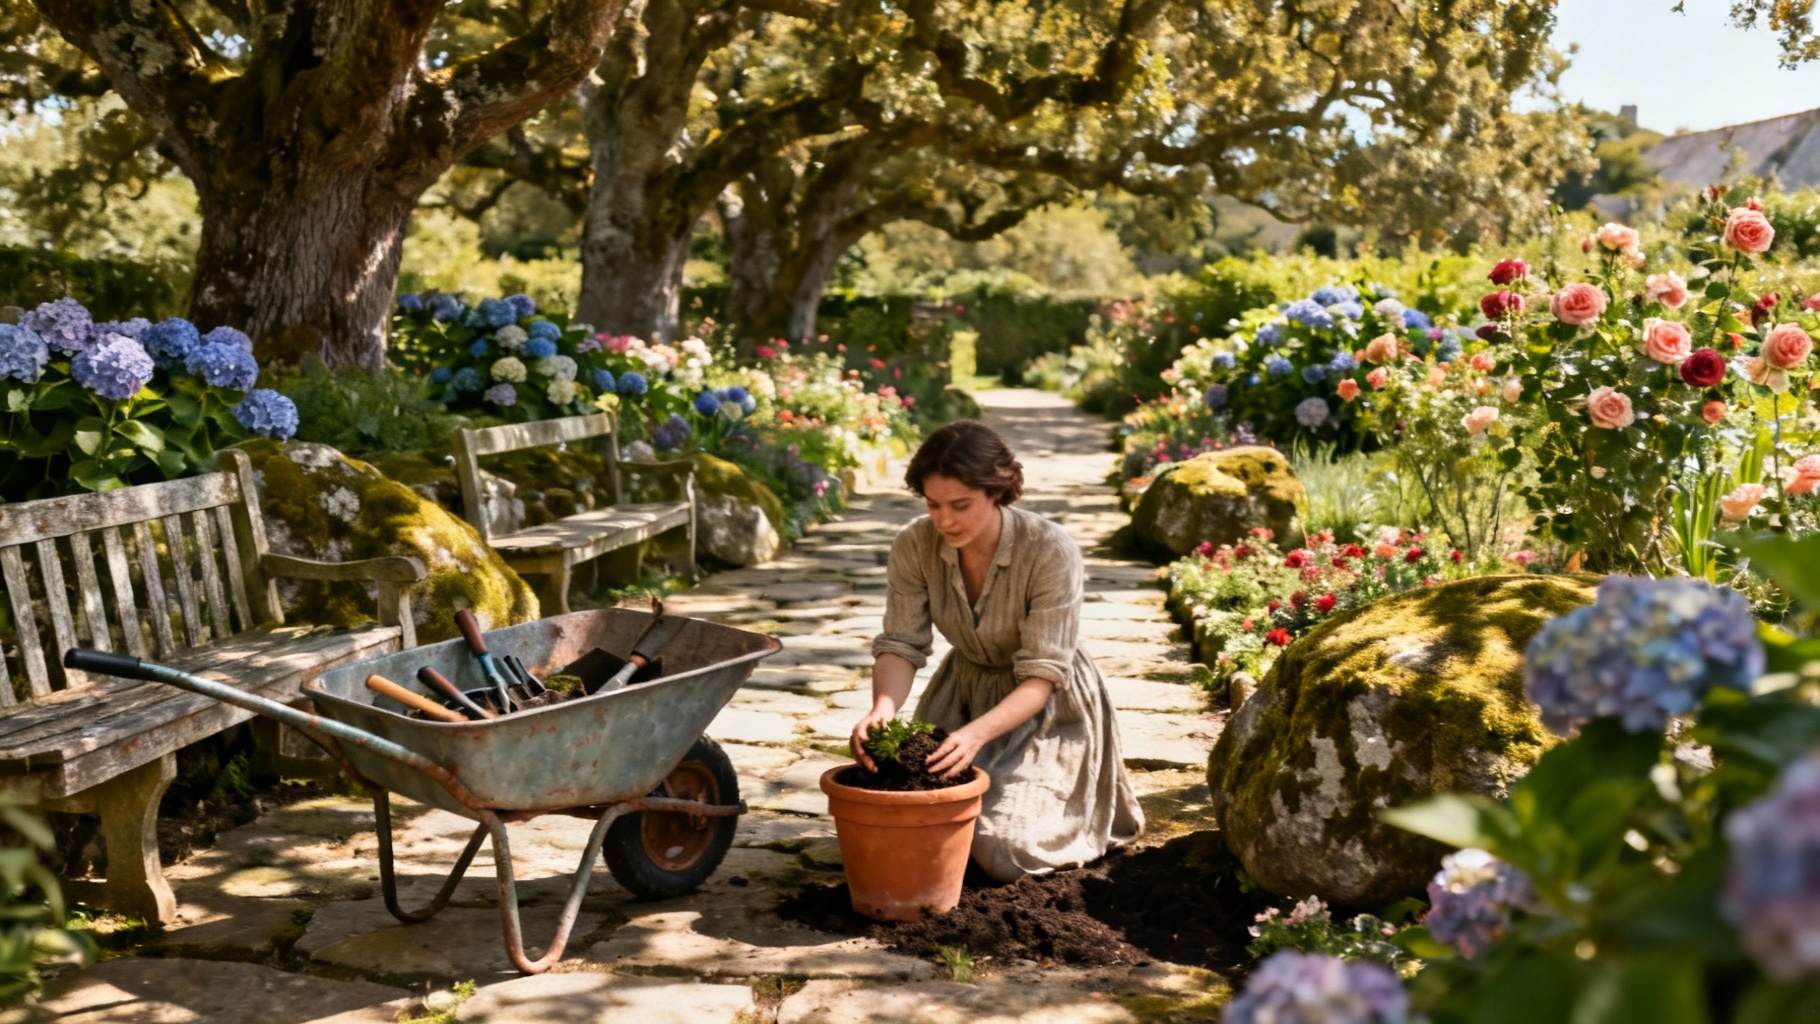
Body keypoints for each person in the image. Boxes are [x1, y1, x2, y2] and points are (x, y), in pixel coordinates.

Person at [851, 419, 1144, 881]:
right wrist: (882, 708)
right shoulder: (914, 544)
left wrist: (975, 736)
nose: (944, 520)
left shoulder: (1050, 550)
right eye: (933, 505)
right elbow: (901, 644)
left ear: (997, 491)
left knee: (1000, 847)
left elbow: (1042, 675)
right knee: (915, 816)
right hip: (961, 695)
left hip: (1046, 708)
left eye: (961, 505)